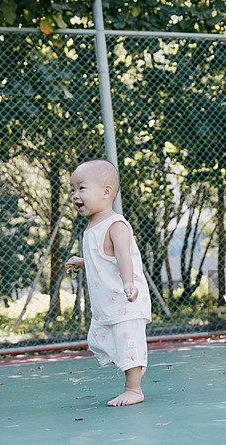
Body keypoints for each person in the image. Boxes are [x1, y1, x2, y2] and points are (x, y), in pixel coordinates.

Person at [66, 159, 152, 406]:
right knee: (98, 341)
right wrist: (82, 261)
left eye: (81, 188)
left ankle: (133, 388)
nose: (74, 195)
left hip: (125, 299)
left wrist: (129, 283)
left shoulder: (116, 224)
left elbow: (124, 256)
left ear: (106, 192)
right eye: (72, 190)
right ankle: (132, 364)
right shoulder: (93, 226)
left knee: (128, 344)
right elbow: (103, 258)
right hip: (106, 304)